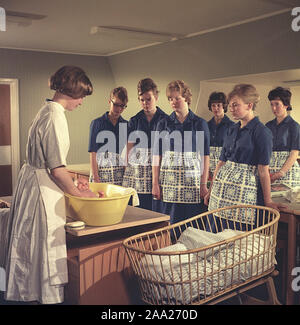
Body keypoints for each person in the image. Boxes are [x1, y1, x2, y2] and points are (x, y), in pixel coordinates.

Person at [5, 65, 97, 304]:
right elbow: (56, 170)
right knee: (43, 242)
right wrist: (78, 193)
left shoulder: (45, 110)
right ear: (73, 91)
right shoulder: (56, 116)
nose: (82, 102)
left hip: (32, 181)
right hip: (42, 188)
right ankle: (43, 294)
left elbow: (50, 162)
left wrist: (74, 180)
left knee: (31, 243)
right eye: (82, 96)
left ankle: (30, 290)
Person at [204, 84, 285, 228]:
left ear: (249, 105)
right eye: (230, 105)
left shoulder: (262, 132)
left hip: (244, 194)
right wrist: (210, 190)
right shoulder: (232, 129)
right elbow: (221, 163)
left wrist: (268, 201)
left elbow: (263, 171)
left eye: (236, 105)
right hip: (220, 193)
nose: (231, 109)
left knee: (237, 237)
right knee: (214, 232)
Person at [152, 80, 210, 225]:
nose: (173, 102)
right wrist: (155, 183)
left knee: (192, 225)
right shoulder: (163, 123)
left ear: (186, 98)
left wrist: (203, 184)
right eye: (170, 99)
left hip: (193, 182)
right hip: (169, 182)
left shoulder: (200, 123)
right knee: (169, 224)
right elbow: (156, 155)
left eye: (177, 98)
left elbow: (205, 156)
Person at [122, 78, 167, 210]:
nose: (145, 103)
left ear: (156, 97)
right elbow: (128, 148)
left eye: (148, 99)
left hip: (157, 168)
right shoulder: (134, 120)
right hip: (137, 172)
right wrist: (126, 168)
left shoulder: (165, 120)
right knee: (138, 205)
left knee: (156, 206)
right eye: (142, 100)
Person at [88, 87, 128, 186]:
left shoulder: (126, 125)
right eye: (116, 104)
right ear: (109, 101)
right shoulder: (97, 123)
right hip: (100, 174)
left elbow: (126, 154)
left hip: (120, 175)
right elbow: (93, 153)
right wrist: (96, 179)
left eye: (122, 106)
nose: (119, 109)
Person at [266, 87, 300, 188]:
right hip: (269, 171)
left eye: (277, 104)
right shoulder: (268, 126)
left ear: (286, 105)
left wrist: (280, 173)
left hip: (288, 171)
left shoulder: (294, 126)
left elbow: (294, 154)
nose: (273, 108)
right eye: (272, 104)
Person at [207, 91, 234, 179]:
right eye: (213, 105)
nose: (216, 108)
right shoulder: (205, 125)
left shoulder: (232, 126)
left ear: (224, 106)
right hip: (207, 166)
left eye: (219, 105)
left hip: (224, 164)